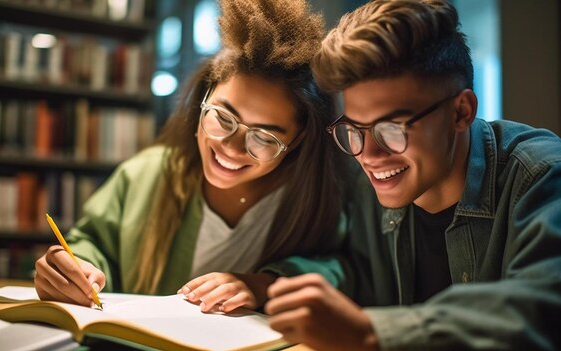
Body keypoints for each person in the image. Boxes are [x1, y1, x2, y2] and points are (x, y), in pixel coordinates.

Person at [262, 0, 561, 350]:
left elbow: (543, 309)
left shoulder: (542, 175)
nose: (368, 155)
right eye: (354, 130)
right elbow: (360, 270)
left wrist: (370, 332)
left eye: (392, 129)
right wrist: (266, 285)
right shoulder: (371, 183)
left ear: (461, 112)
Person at [34, 0, 348, 311]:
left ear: (297, 141)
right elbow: (92, 244)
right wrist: (76, 268)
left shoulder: (311, 197)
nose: (231, 148)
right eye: (223, 118)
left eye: (263, 137)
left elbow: (342, 269)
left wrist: (265, 285)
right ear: (203, 99)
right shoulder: (147, 173)